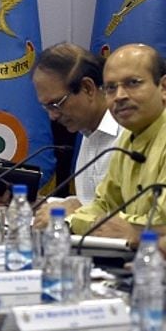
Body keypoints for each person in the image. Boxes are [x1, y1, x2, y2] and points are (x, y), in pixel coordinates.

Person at [69, 44, 166, 240]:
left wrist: (130, 230)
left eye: (133, 83)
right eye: (111, 88)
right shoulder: (127, 140)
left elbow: (159, 223)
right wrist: (95, 223)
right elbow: (102, 205)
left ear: (163, 88)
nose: (119, 96)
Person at [31, 43, 120, 229]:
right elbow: (90, 203)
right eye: (46, 107)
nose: (53, 116)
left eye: (56, 104)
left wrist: (67, 215)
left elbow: (127, 219)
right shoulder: (87, 131)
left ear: (88, 88)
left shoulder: (129, 134)